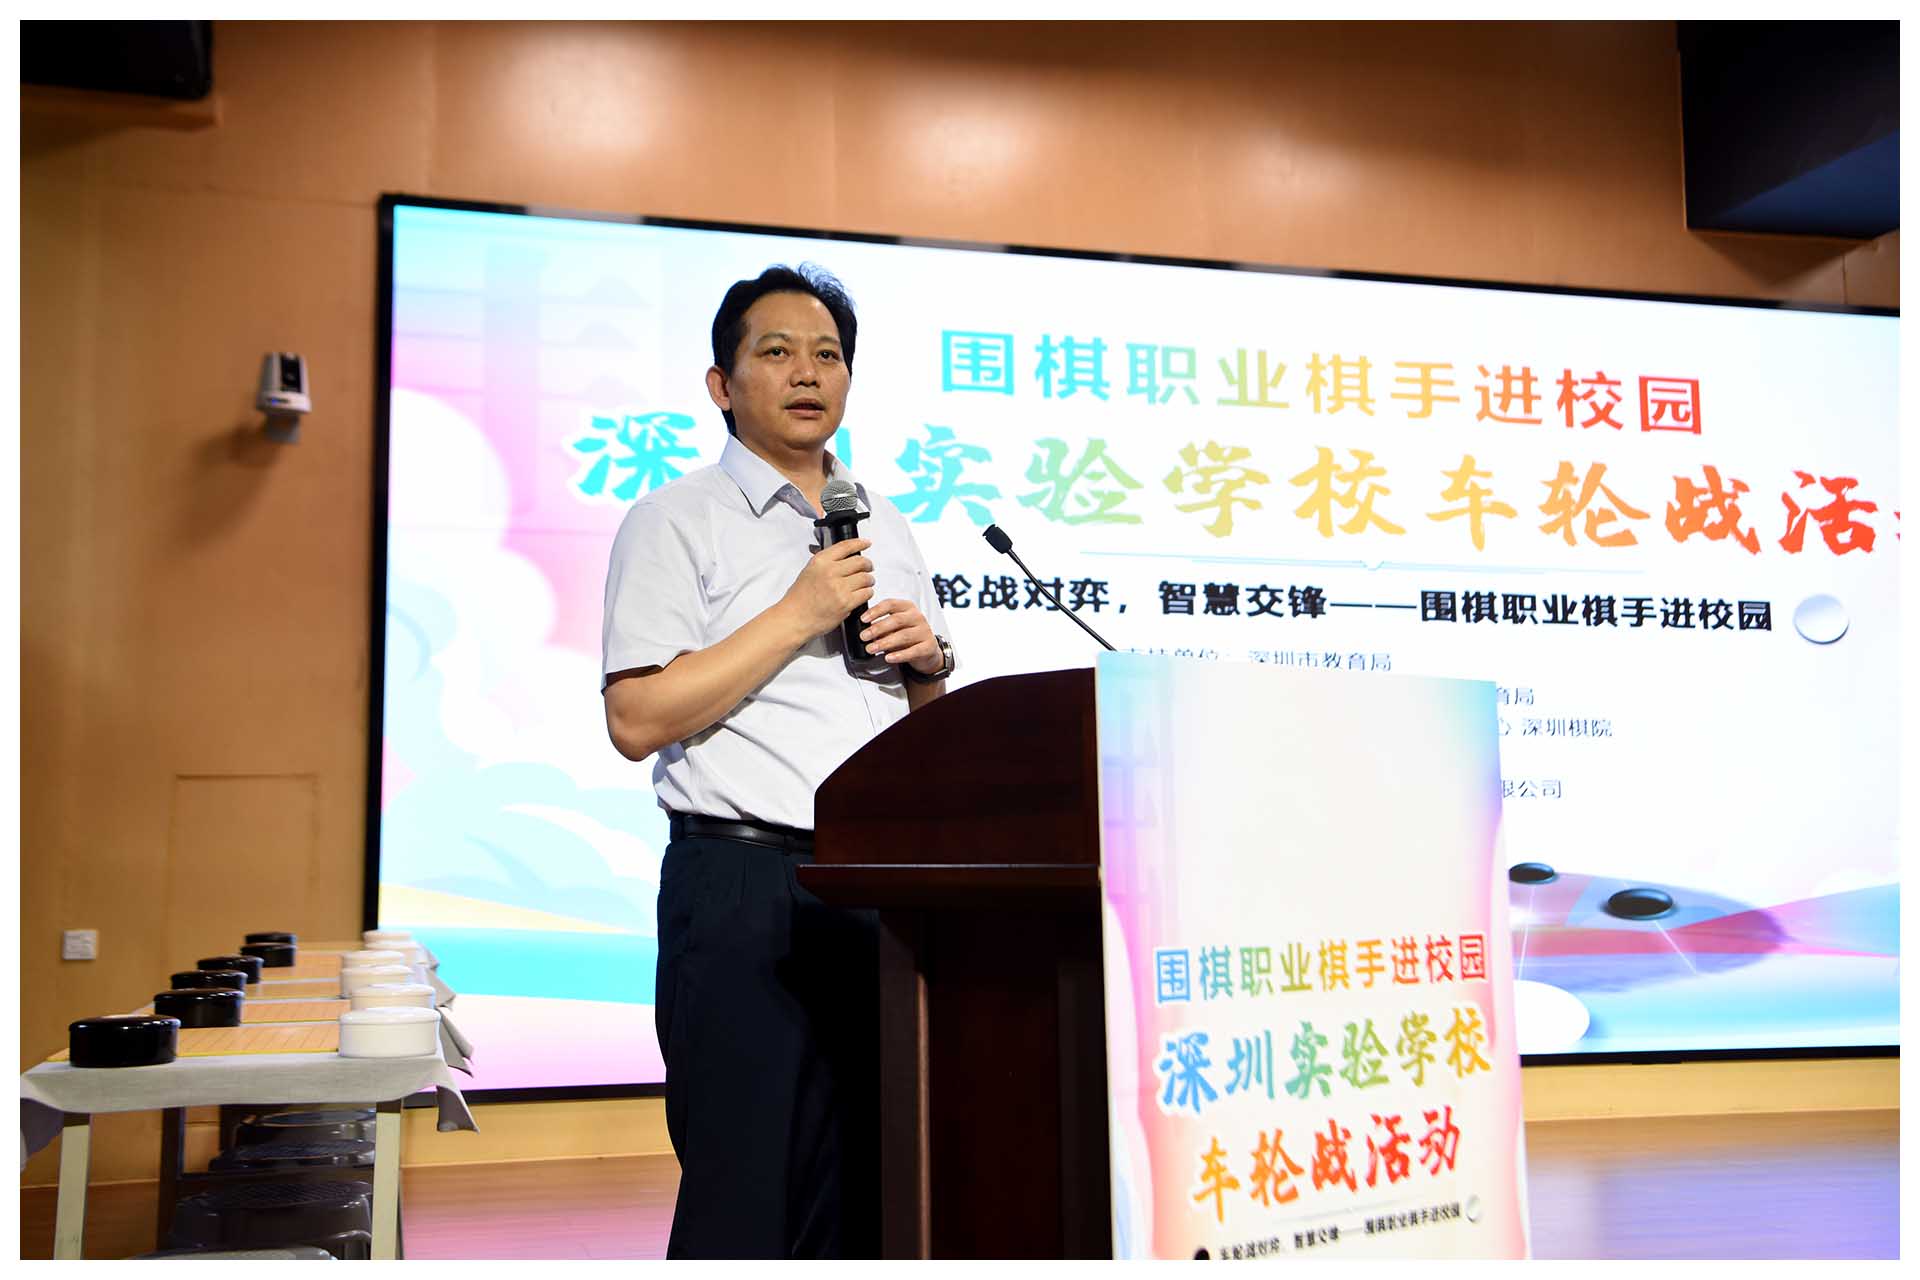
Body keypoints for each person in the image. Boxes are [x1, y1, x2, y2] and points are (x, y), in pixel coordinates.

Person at [600, 264, 954, 1258]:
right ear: (723, 384)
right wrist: (799, 613)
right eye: (778, 351)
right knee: (747, 1192)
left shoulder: (887, 523)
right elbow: (635, 716)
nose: (808, 372)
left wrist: (929, 668)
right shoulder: (674, 519)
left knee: (878, 1186)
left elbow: (920, 729)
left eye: (828, 354)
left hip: (877, 887)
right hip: (743, 883)